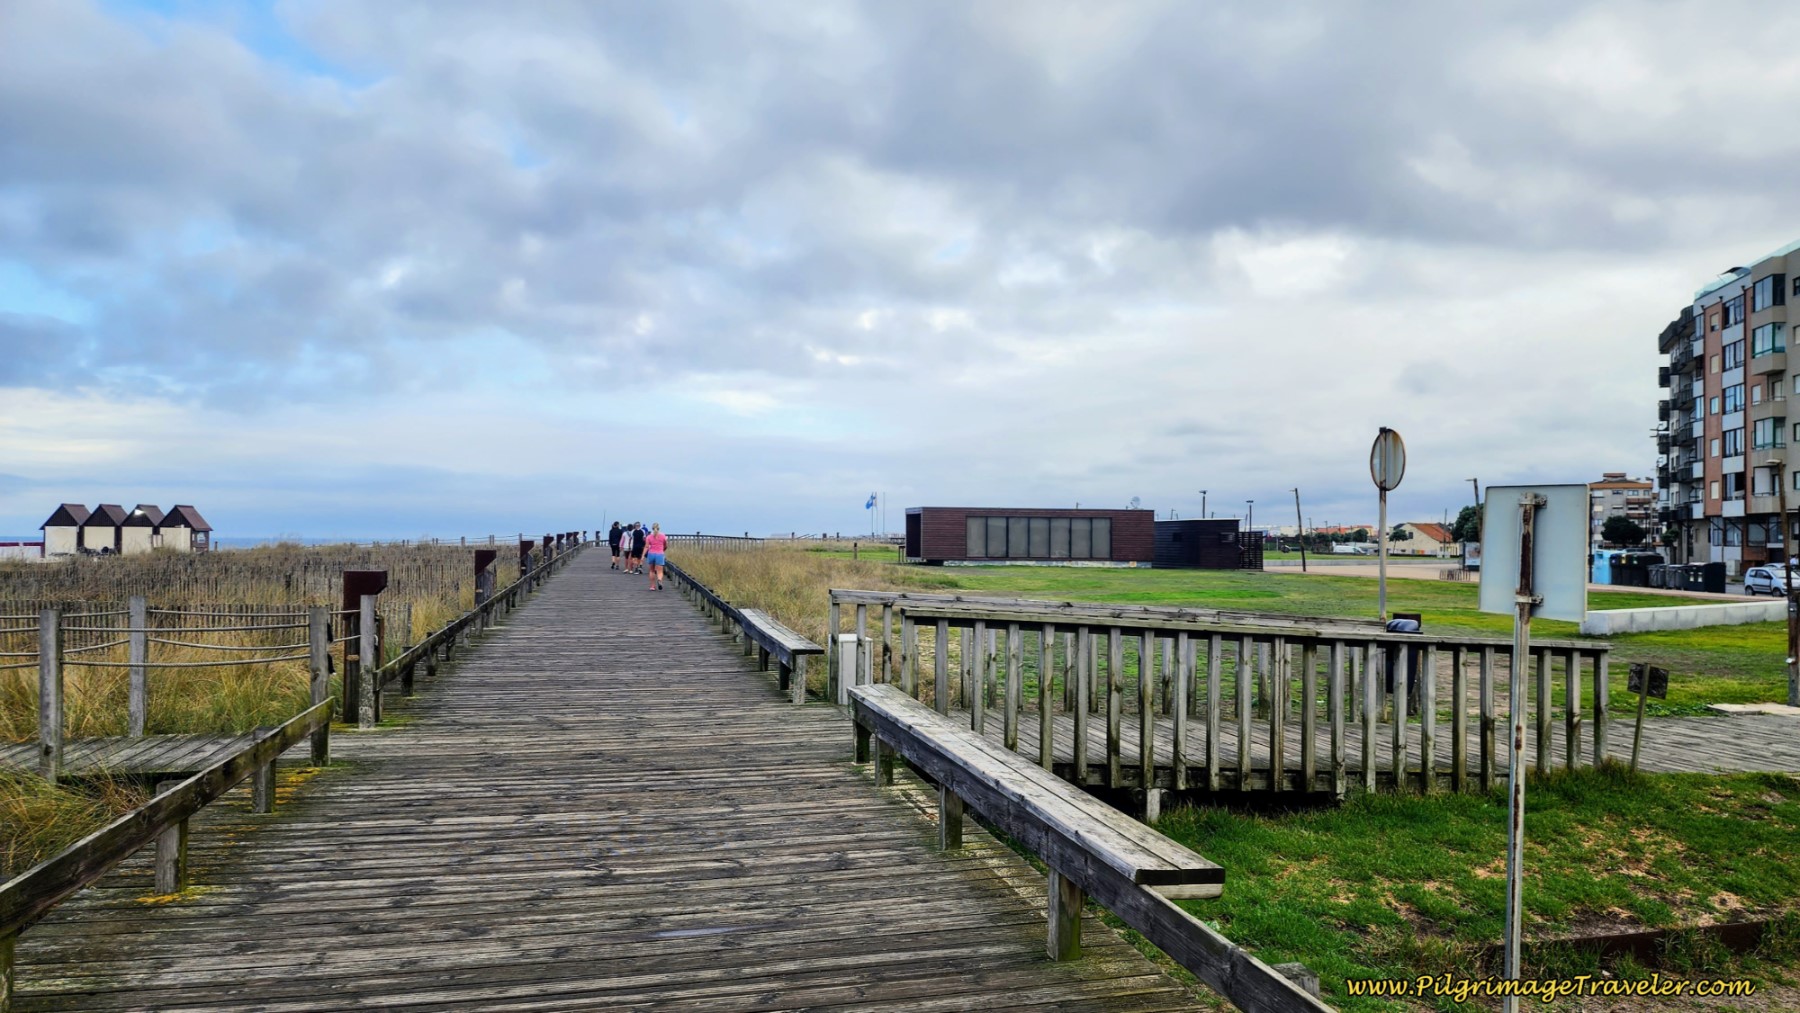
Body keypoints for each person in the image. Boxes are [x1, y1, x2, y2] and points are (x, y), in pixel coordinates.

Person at [644, 522, 668, 590]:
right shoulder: (663, 536)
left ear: (652, 528)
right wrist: (663, 550)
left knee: (652, 571)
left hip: (651, 554)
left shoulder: (649, 537)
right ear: (659, 528)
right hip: (659, 554)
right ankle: (659, 580)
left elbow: (646, 546)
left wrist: (643, 555)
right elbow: (666, 545)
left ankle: (652, 586)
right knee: (659, 571)